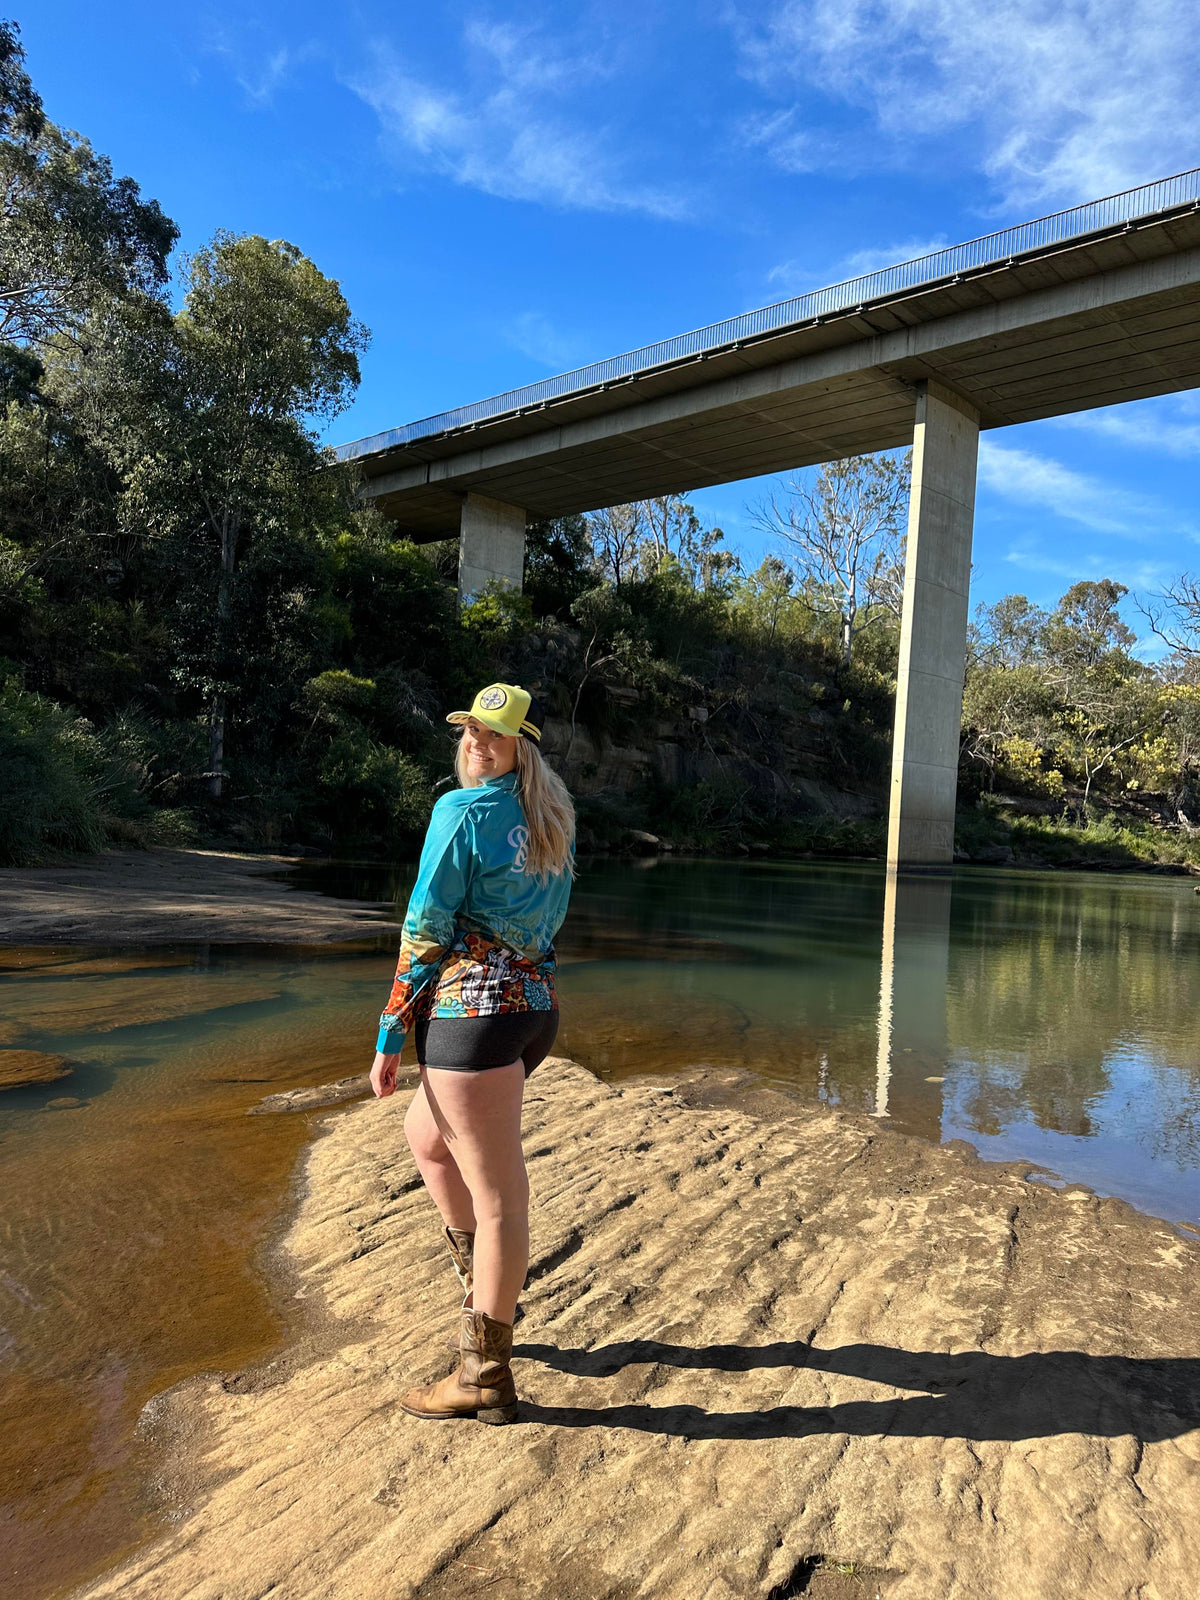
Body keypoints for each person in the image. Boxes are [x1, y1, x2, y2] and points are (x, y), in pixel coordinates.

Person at [369, 682, 575, 1424]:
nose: (475, 743)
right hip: (533, 1011)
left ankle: (483, 1372)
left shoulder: (460, 812)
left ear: (520, 744)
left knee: (499, 1201)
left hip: (474, 1019)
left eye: (493, 734)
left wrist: (391, 1035)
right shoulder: (551, 815)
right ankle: (483, 1291)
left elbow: (424, 928)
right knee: (425, 1139)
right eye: (468, 731)